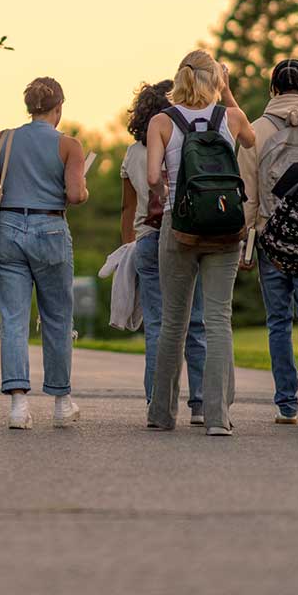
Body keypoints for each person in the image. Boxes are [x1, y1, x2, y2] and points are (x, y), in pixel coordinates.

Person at [145, 50, 256, 436]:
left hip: (180, 225)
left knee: (173, 322)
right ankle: (216, 418)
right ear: (216, 79)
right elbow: (252, 139)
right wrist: (227, 93)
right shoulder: (232, 117)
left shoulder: (161, 121)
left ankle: (161, 413)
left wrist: (173, 190)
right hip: (225, 223)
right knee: (218, 320)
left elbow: (151, 179)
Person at [0, 76, 90, 430]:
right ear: (59, 108)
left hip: (6, 230)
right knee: (56, 318)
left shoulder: (3, 140)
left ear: (29, 107)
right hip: (50, 230)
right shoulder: (70, 146)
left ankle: (18, 409)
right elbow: (75, 195)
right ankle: (61, 403)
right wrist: (84, 187)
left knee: (13, 319)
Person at [238, 58, 298, 427]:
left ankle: (285, 404)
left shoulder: (255, 130)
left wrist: (247, 243)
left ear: (272, 89)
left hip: (270, 237)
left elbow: (246, 193)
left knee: (278, 320)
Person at [119, 80, 208, 424]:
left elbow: (128, 208)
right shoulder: (184, 142)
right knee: (195, 321)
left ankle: (156, 400)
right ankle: (199, 403)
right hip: (185, 234)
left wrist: (129, 242)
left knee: (157, 325)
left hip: (146, 239)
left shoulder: (132, 153)